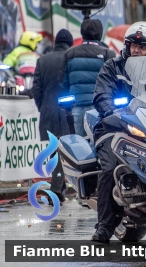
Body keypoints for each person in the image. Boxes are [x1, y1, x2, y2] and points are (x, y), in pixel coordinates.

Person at [91, 21, 146, 244]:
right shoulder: (113, 67)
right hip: (115, 126)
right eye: (133, 45)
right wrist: (111, 110)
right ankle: (104, 225)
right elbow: (101, 94)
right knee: (110, 167)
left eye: (142, 47)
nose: (136, 50)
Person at [31, 29, 74, 203]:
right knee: (65, 153)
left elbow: (36, 89)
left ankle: (59, 188)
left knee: (55, 152)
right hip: (67, 112)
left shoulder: (42, 60)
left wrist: (43, 107)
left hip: (49, 111)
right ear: (69, 43)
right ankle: (56, 190)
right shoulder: (70, 58)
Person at [60, 19, 116, 137]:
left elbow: (63, 82)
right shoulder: (108, 54)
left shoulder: (70, 53)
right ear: (100, 33)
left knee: (77, 143)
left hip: (75, 106)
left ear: (82, 33)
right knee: (98, 141)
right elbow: (113, 83)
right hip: (99, 108)